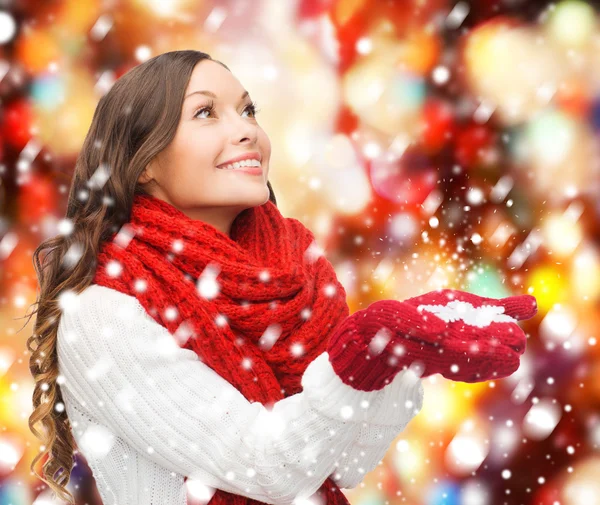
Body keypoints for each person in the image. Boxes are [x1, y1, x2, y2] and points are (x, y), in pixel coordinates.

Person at [25, 50, 538, 505]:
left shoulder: (297, 275)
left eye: (248, 110)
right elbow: (266, 468)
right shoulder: (103, 313)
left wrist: (400, 357)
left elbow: (345, 464)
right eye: (206, 112)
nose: (246, 129)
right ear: (144, 163)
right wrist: (363, 355)